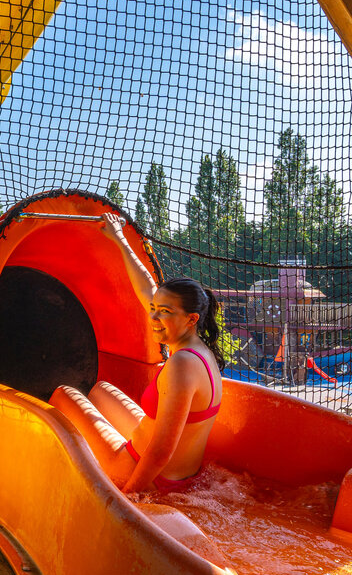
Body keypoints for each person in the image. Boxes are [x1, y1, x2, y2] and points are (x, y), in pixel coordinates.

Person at [50, 212, 223, 494]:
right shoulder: (199, 349)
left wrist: (129, 498)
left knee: (62, 394)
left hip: (150, 474)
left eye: (164, 312)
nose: (153, 317)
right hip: (179, 470)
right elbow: (147, 288)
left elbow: (161, 451)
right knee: (101, 390)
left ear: (191, 319)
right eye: (155, 308)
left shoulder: (182, 363)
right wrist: (120, 239)